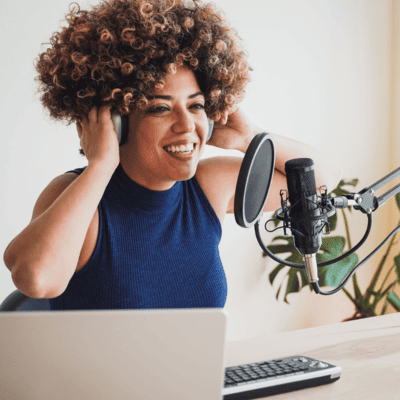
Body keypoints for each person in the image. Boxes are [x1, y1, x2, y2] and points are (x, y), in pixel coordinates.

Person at [3, 0, 341, 309]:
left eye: (195, 106)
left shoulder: (208, 187)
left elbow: (316, 184)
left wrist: (248, 138)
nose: (185, 124)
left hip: (198, 377)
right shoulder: (80, 198)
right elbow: (37, 279)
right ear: (118, 123)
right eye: (160, 109)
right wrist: (101, 164)